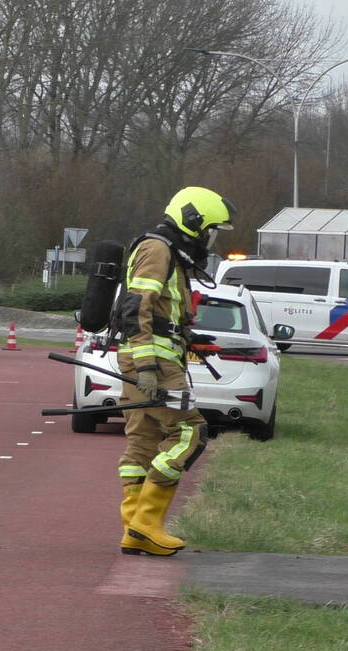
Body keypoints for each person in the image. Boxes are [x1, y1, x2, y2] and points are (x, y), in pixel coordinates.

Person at [114, 186, 235, 556]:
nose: (210, 239)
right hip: (152, 361)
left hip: (144, 355)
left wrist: (187, 335)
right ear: (194, 222)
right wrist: (149, 366)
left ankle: (134, 528)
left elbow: (160, 310)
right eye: (210, 230)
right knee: (190, 432)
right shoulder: (158, 249)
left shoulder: (167, 251)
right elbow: (137, 308)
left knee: (143, 442)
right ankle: (146, 525)